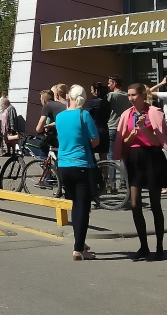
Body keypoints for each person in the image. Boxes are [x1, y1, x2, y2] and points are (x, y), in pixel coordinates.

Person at [113, 83, 167, 261]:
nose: (130, 98)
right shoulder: (127, 114)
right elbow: (125, 141)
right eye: (128, 95)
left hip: (152, 157)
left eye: (134, 95)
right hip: (135, 158)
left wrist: (144, 128)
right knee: (135, 205)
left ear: (143, 95)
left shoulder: (154, 112)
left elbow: (158, 142)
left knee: (155, 205)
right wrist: (132, 135)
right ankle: (143, 246)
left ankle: (159, 246)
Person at [55, 84, 100, 260]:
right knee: (83, 207)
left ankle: (79, 241)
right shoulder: (84, 115)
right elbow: (95, 140)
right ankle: (79, 249)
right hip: (82, 164)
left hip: (63, 166)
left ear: (69, 98)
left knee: (75, 205)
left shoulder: (59, 117)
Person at [37, 84, 67, 152]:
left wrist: (39, 131)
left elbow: (39, 128)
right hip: (68, 132)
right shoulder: (60, 104)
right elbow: (60, 120)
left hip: (61, 133)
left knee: (43, 148)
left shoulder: (47, 106)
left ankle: (44, 161)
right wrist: (49, 125)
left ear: (44, 100)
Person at [87, 82, 111, 162]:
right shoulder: (107, 102)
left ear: (96, 91)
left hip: (94, 130)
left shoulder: (93, 102)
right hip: (104, 130)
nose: (91, 91)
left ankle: (95, 173)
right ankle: (105, 174)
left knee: (91, 156)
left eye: (92, 90)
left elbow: (87, 114)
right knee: (104, 158)